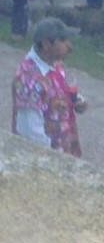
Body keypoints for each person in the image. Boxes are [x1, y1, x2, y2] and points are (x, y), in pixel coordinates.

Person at [12, 17, 87, 157]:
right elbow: (30, 132)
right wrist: (53, 156)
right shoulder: (28, 79)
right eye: (63, 41)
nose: (70, 46)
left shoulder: (54, 64)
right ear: (46, 44)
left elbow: (60, 90)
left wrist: (77, 100)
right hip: (44, 160)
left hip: (63, 152)